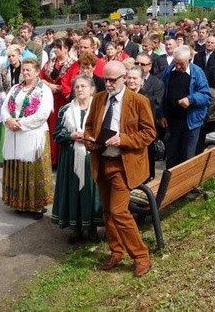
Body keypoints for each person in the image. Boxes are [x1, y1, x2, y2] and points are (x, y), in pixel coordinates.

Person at [83, 60, 156, 277]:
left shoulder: (139, 101)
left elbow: (149, 134)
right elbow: (89, 126)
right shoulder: (98, 100)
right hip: (101, 160)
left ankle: (141, 256)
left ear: (124, 78)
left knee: (118, 211)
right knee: (107, 211)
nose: (108, 83)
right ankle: (116, 251)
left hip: (123, 165)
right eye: (105, 79)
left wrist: (122, 139)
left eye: (112, 80)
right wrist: (88, 139)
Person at [51, 75, 103, 243]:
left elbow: (106, 131)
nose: (80, 89)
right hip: (70, 158)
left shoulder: (99, 108)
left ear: (92, 89)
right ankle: (76, 229)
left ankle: (93, 228)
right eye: (77, 87)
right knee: (73, 191)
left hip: (92, 157)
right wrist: (71, 135)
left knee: (91, 192)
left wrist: (91, 137)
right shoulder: (65, 110)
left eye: (84, 86)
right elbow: (57, 135)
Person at [1, 57, 53, 219]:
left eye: (29, 69)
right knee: (17, 166)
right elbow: (4, 106)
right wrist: (8, 120)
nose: (25, 72)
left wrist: (21, 123)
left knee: (32, 169)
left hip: (33, 134)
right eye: (23, 69)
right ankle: (19, 203)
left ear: (37, 72)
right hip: (15, 133)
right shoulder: (15, 88)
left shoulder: (44, 89)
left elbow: (43, 113)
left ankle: (36, 206)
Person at [158, 45, 211, 168]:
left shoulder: (197, 73)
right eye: (175, 63)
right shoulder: (168, 71)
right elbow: (161, 94)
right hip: (172, 121)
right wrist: (161, 115)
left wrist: (190, 99)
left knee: (187, 155)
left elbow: (206, 96)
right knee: (172, 155)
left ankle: (187, 185)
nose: (177, 66)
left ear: (189, 60)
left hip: (191, 121)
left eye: (181, 64)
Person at [40, 37, 75, 167]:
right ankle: (50, 157)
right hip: (49, 99)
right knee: (49, 127)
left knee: (61, 126)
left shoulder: (73, 63)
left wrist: (59, 88)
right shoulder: (50, 63)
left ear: (66, 49)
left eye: (58, 47)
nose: (55, 50)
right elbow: (41, 77)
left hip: (63, 99)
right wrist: (49, 85)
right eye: (55, 47)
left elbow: (72, 81)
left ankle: (60, 159)